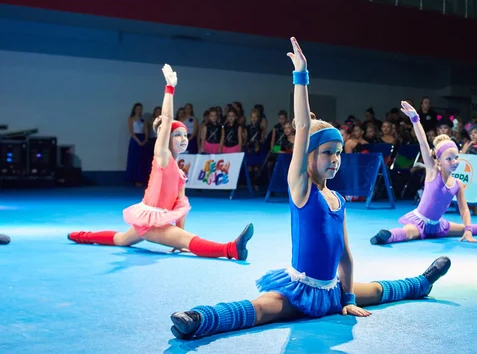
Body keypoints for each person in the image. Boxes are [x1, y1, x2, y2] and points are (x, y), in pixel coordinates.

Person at [169, 38, 451, 340]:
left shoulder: (338, 200)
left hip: (333, 290)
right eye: (327, 152)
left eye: (339, 152)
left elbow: (345, 255)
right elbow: (303, 127)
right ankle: (200, 318)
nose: (335, 159)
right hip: (300, 290)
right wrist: (301, 76)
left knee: (377, 290)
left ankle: (421, 283)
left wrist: (349, 299)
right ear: (308, 157)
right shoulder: (302, 189)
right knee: (264, 308)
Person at [68, 65, 253, 260]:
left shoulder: (181, 173)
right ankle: (231, 249)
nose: (183, 138)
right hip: (150, 221)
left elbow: (181, 207)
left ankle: (81, 236)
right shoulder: (162, 157)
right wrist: (170, 89)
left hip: (153, 222)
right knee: (185, 239)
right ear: (166, 138)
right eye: (177, 135)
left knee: (122, 239)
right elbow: (166, 119)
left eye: (185, 135)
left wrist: (178, 237)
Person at [370, 101, 477, 245]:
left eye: (456, 158)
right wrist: (415, 119)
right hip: (420, 222)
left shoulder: (457, 184)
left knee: (464, 228)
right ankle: (386, 235)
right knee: (408, 233)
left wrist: (468, 231)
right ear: (438, 161)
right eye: (449, 159)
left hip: (438, 225)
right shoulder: (433, 171)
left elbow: (464, 209)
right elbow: (423, 143)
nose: (454, 162)